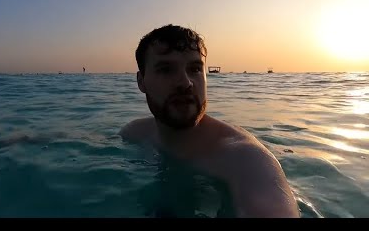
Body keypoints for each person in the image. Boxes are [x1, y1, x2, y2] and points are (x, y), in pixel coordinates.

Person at [119, 24, 300, 218]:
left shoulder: (247, 160)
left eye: (195, 69)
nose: (185, 82)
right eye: (166, 69)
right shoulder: (134, 133)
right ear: (141, 82)